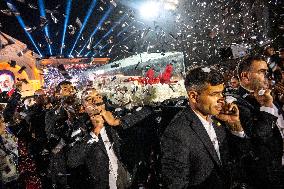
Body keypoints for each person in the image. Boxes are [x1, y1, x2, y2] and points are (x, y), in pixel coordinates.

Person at [161, 66, 246, 189]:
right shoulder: (177, 133)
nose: (221, 99)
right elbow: (176, 185)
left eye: (222, 92)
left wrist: (235, 125)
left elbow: (241, 157)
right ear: (194, 96)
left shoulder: (220, 119)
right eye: (214, 94)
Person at [67, 88, 131, 189]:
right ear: (83, 107)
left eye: (98, 96)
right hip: (101, 183)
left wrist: (115, 122)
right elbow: (72, 161)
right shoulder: (80, 127)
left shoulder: (114, 116)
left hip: (123, 178)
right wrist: (95, 131)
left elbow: (141, 115)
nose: (95, 101)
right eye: (89, 99)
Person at [237, 54, 283, 188]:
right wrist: (267, 106)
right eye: (262, 72)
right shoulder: (237, 104)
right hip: (266, 179)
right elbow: (260, 137)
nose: (267, 76)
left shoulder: (268, 96)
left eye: (267, 72)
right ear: (245, 76)